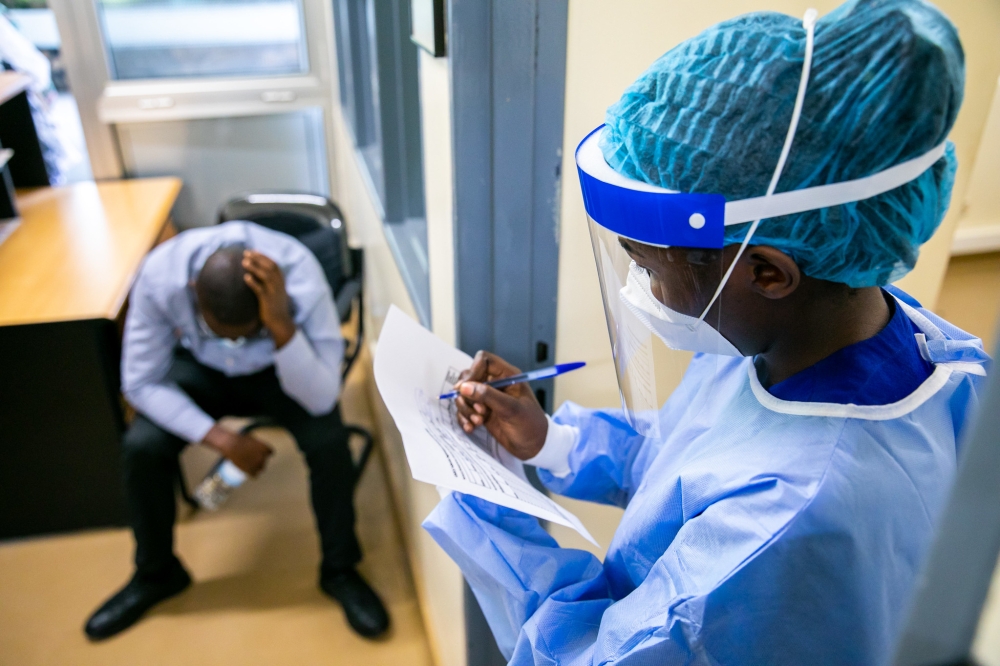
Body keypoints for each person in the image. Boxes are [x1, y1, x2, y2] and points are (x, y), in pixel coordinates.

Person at [423, 0, 991, 664]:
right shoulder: (816, 337)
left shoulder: (789, 516)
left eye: (646, 267)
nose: (643, 292)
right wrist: (550, 442)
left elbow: (595, 657)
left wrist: (486, 506)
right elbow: (685, 457)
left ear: (769, 272)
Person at [84, 221, 389, 640]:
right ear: (192, 292)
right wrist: (219, 438)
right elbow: (139, 382)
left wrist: (279, 323)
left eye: (247, 335)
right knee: (143, 446)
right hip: (202, 368)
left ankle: (340, 570)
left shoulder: (301, 276)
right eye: (222, 334)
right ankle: (157, 574)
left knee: (329, 442)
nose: (236, 346)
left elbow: (321, 397)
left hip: (280, 366)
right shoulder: (160, 276)